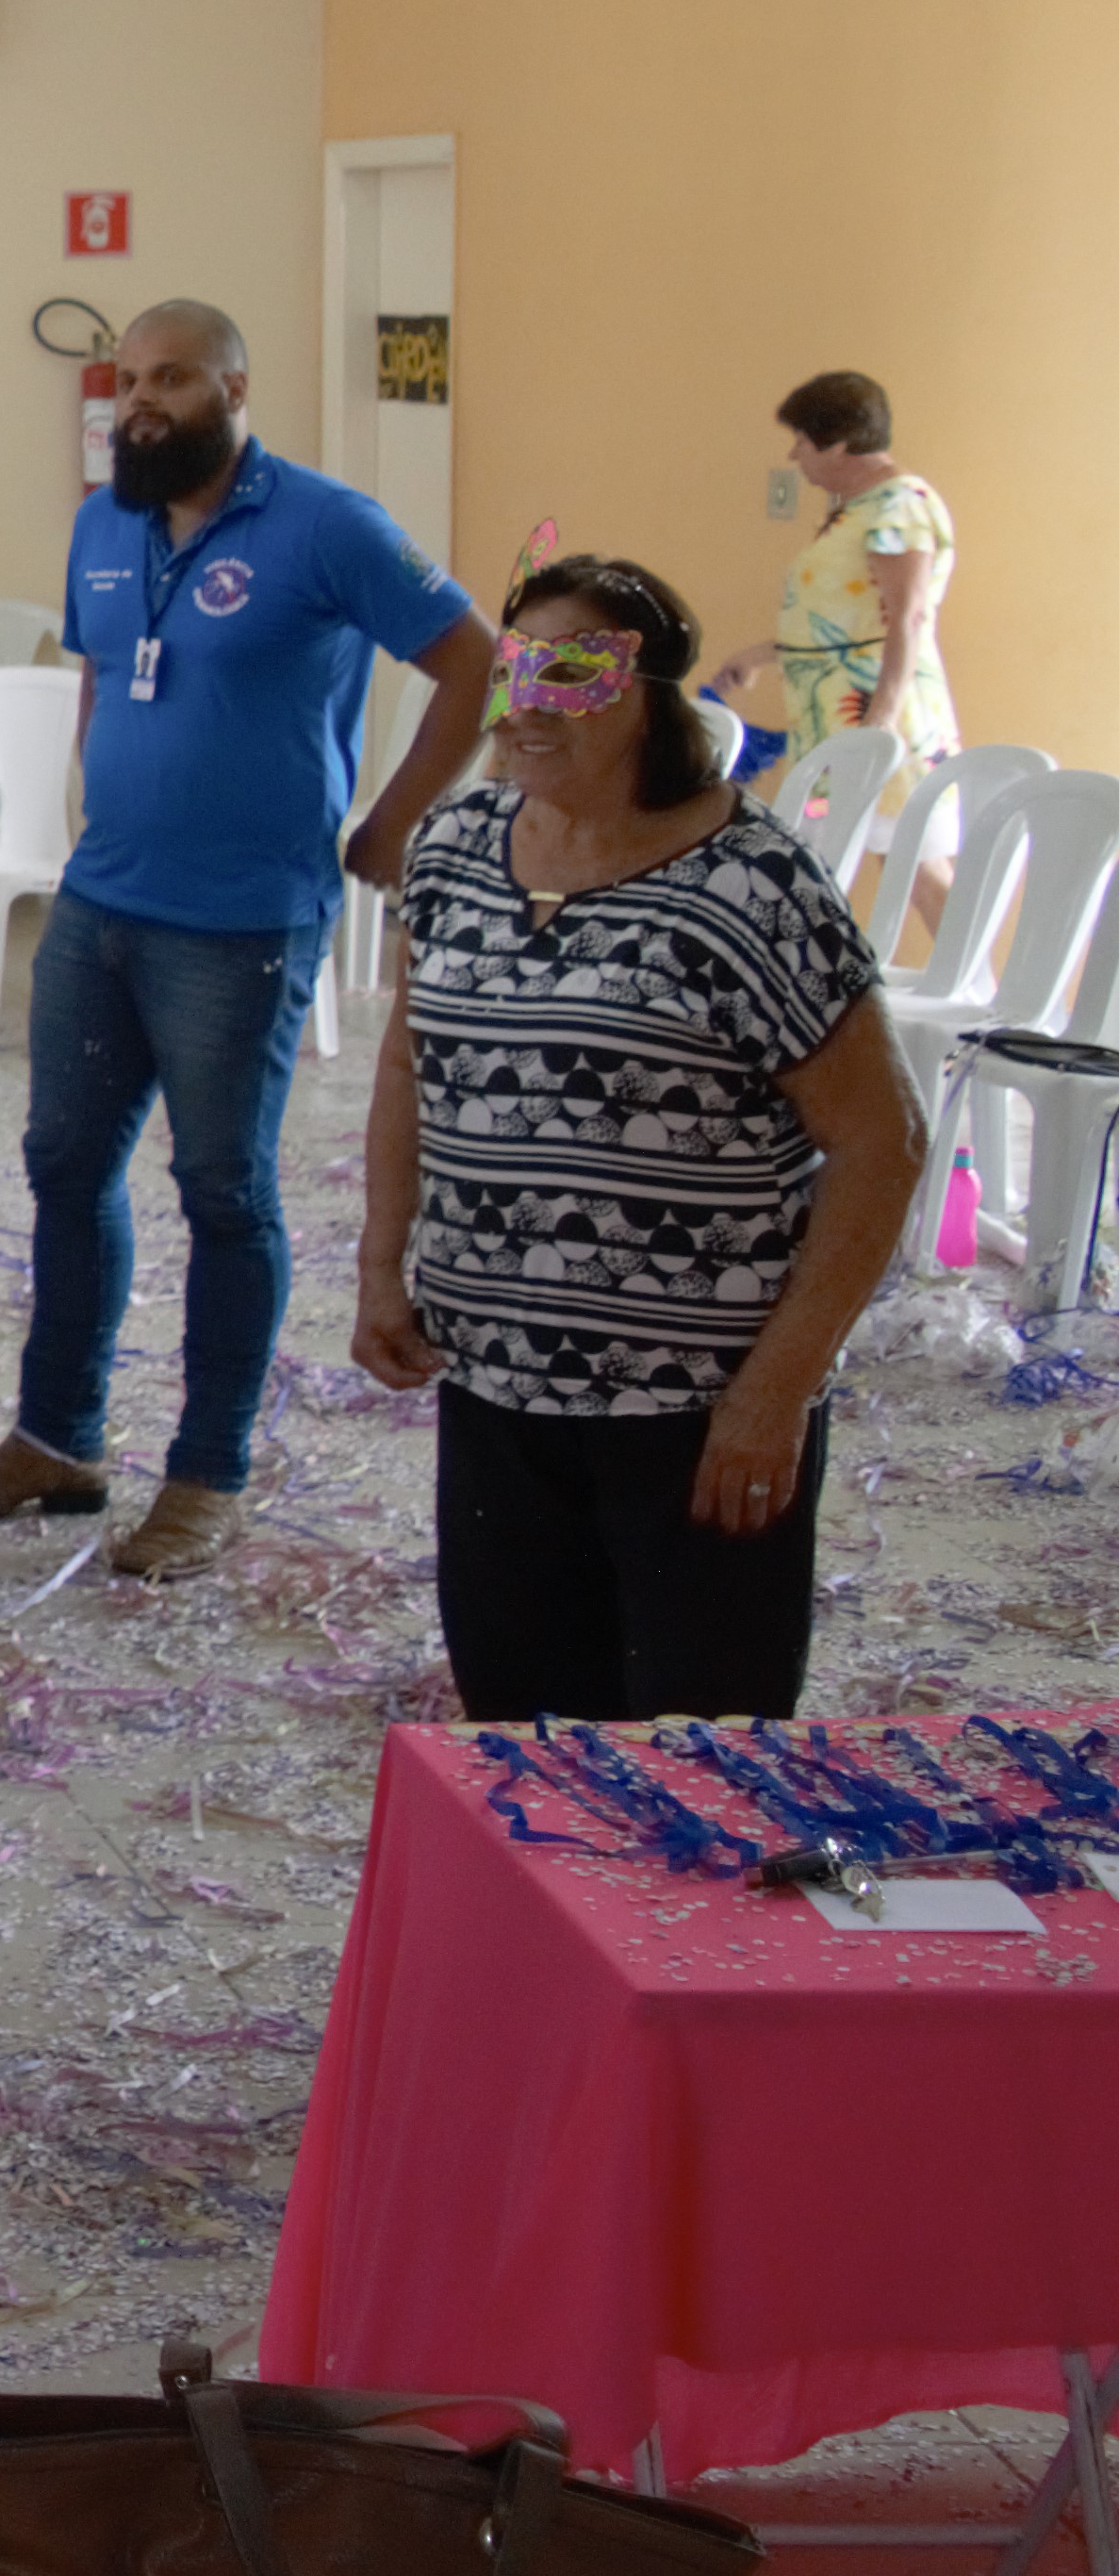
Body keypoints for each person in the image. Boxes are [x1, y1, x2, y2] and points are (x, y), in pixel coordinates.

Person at [0, 302, 497, 1578]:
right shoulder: (104, 521)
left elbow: (475, 660)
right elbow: (102, 666)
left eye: (171, 378)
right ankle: (58, 1439)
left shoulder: (330, 527)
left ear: (235, 387)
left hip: (240, 922)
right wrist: (95, 788)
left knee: (222, 1194)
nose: (141, 401)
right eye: (127, 379)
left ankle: (206, 1475)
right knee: (66, 1170)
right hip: (101, 905)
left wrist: (397, 820)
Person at [352, 557, 913, 1723]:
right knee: (523, 1743)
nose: (530, 705)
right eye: (516, 670)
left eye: (573, 672)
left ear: (649, 694)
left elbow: (882, 1142)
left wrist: (776, 1395)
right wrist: (378, 1265)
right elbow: (410, 1059)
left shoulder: (752, 887)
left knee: (696, 1761)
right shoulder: (456, 845)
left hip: (693, 1413)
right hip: (496, 1390)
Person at [718, 371, 961, 763]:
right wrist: (761, 655)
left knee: (869, 825)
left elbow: (908, 617)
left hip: (874, 729)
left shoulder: (898, 507)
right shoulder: (861, 508)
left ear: (837, 445)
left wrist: (879, 724)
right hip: (830, 723)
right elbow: (848, 620)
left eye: (801, 441)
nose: (793, 456)